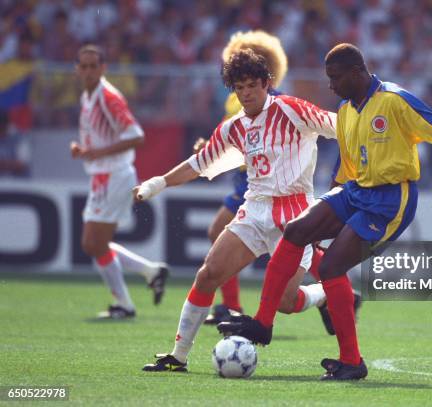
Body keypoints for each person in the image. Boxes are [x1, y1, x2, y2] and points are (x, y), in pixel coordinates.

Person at [219, 43, 432, 381]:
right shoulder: (346, 111)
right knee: (297, 230)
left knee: (334, 266)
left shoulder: (394, 100)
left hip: (390, 199)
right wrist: (327, 210)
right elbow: (347, 168)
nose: (330, 85)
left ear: (357, 72)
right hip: (355, 191)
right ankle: (263, 324)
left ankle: (352, 361)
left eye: (335, 77)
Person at [137, 49, 338, 372]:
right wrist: (158, 183)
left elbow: (339, 126)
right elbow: (198, 164)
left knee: (286, 303)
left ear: (266, 83)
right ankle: (178, 356)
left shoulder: (292, 109)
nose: (245, 93)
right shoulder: (233, 128)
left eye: (251, 86)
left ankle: (321, 296)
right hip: (255, 210)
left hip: (296, 217)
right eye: (239, 87)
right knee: (208, 275)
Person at [193, 30, 289, 325]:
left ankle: (333, 292)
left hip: (264, 181)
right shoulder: (236, 100)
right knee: (220, 232)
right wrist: (207, 150)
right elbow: (229, 137)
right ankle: (230, 305)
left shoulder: (276, 100)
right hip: (244, 179)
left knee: (292, 245)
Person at [70, 44, 169, 319]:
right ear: (77, 69)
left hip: (115, 174)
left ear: (103, 68)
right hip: (102, 174)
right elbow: (102, 139)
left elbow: (137, 135)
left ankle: (126, 303)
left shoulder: (108, 96)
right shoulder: (87, 98)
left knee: (94, 243)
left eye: (94, 66)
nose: (88, 71)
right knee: (92, 244)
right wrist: (85, 150)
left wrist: (96, 153)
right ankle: (150, 272)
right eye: (84, 66)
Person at [0, 109, 30, 177]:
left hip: (18, 183)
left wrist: (3, 164)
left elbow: (22, 164)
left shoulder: (20, 138)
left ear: (6, 126)